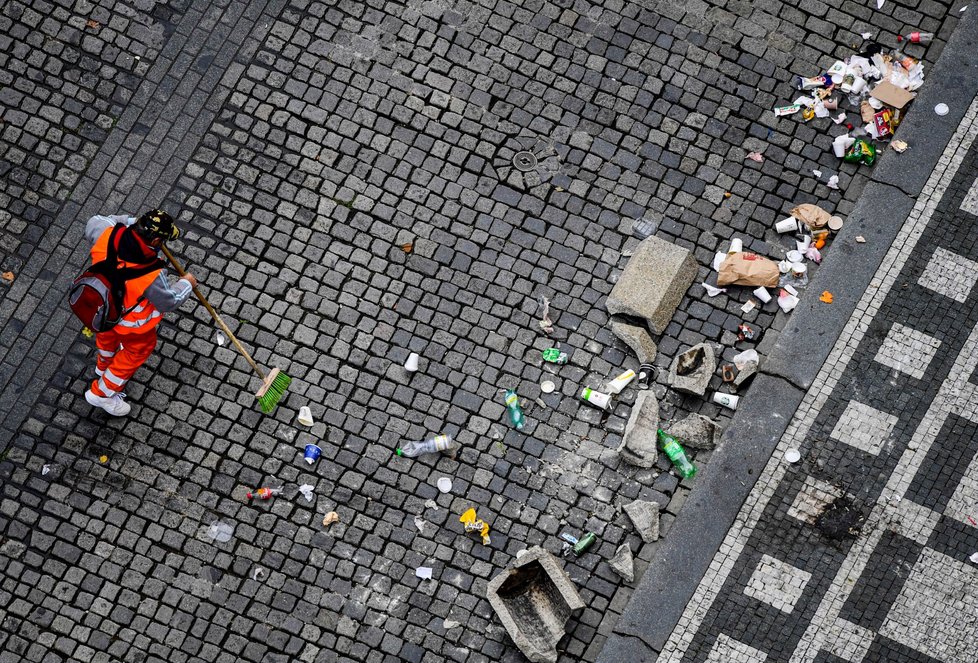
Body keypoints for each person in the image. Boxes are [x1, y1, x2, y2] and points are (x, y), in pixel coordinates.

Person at [82, 209, 197, 416]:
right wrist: (186, 284)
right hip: (130, 325)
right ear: (154, 242)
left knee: (106, 339)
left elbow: (98, 219)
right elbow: (168, 301)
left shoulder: (105, 232)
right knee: (135, 353)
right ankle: (103, 392)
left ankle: (102, 367)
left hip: (101, 308)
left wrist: (134, 222)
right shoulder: (151, 272)